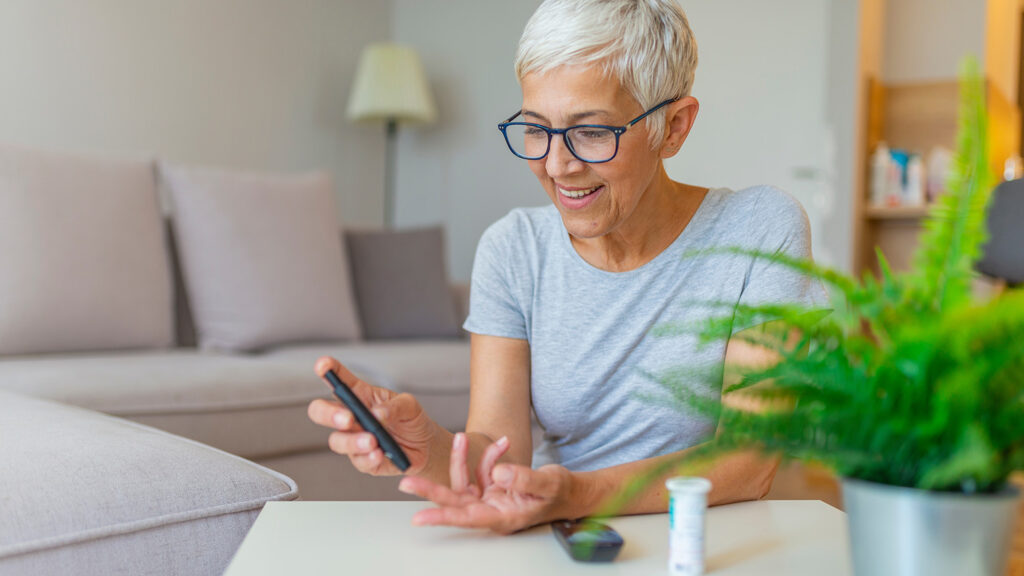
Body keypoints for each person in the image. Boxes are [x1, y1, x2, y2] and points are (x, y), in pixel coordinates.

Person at [307, 0, 826, 534]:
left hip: (705, 542)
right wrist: (426, 447)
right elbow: (498, 460)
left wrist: (575, 494)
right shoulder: (514, 249)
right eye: (536, 129)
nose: (557, 166)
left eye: (592, 132)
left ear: (672, 127)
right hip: (564, 542)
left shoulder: (758, 229)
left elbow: (750, 460)